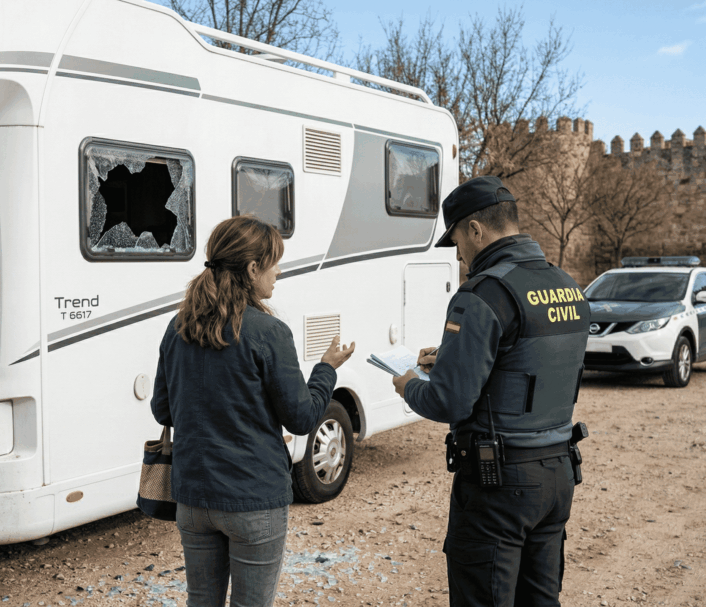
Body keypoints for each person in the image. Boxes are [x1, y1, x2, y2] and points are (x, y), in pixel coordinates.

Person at [392, 176, 590, 607]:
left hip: (499, 482)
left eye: (458, 240)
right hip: (558, 472)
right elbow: (529, 363)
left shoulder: (483, 293)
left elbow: (448, 401)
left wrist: (408, 385)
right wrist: (450, 356)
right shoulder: (569, 286)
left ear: (476, 230)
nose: (460, 254)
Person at [150, 215, 355, 607]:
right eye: (274, 262)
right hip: (253, 499)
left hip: (193, 498)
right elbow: (301, 417)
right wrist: (326, 369)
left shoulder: (177, 326)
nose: (279, 271)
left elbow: (164, 409)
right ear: (252, 268)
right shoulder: (268, 332)